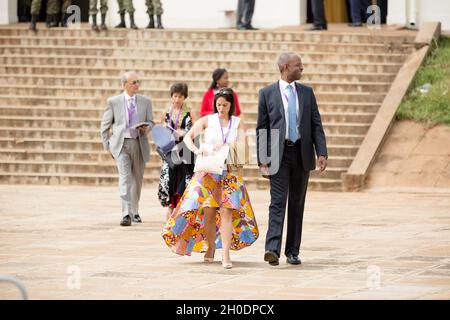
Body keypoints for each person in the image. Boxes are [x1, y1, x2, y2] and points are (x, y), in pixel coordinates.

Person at [162, 88, 258, 269]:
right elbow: (189, 138)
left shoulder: (238, 123)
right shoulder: (208, 120)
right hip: (208, 172)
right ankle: (211, 247)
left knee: (228, 212)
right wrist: (198, 150)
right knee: (209, 213)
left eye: (225, 105)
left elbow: (245, 148)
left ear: (231, 105)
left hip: (230, 172)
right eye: (218, 104)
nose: (221, 108)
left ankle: (226, 254)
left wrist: (231, 146)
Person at [256, 52, 328, 266]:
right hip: (279, 155)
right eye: (298, 65)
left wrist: (321, 152)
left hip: (302, 153)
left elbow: (316, 123)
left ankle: (292, 251)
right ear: (286, 67)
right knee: (277, 202)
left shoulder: (306, 92)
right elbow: (262, 128)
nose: (302, 68)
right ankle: (272, 249)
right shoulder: (267, 93)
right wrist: (263, 159)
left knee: (297, 203)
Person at [100, 71, 154, 226]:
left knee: (137, 179)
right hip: (121, 144)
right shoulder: (114, 101)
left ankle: (135, 211)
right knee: (125, 178)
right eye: (134, 82)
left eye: (138, 82)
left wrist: (146, 127)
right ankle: (125, 214)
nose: (137, 85)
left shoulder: (146, 101)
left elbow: (151, 121)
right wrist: (107, 146)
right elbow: (105, 125)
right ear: (125, 85)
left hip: (138, 142)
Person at [158, 83, 194, 221]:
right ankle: (170, 208)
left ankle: (181, 208)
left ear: (184, 97)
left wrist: (183, 132)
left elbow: (193, 130)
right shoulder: (166, 112)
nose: (177, 99)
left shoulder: (189, 112)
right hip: (170, 149)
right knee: (170, 177)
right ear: (171, 96)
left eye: (180, 96)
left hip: (184, 149)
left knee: (183, 178)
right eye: (175, 96)